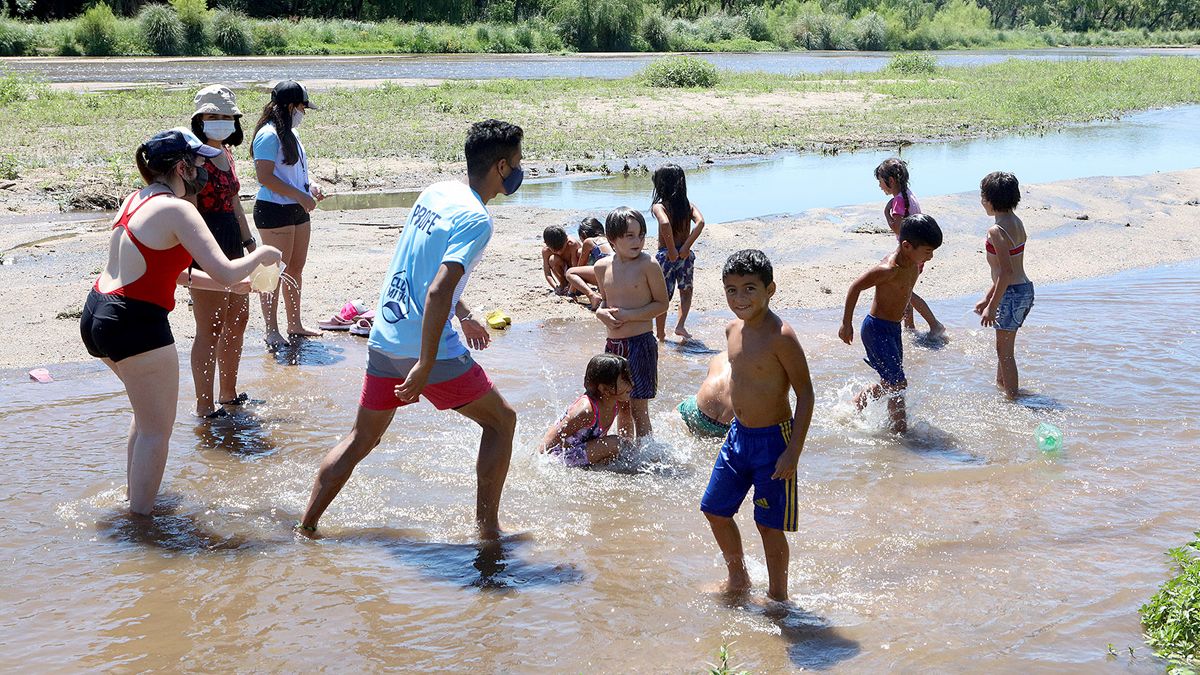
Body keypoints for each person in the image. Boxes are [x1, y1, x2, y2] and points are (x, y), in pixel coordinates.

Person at [297, 119, 524, 540]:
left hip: (385, 335)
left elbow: (422, 267)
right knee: (502, 422)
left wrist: (464, 312)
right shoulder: (478, 220)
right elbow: (437, 290)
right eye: (518, 160)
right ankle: (489, 532)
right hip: (425, 348)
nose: (520, 168)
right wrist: (425, 362)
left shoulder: (437, 192)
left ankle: (306, 526)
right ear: (501, 167)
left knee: (361, 438)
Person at [79, 128, 281, 515]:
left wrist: (231, 286)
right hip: (135, 321)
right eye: (199, 162)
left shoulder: (137, 200)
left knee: (147, 417)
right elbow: (225, 269)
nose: (205, 169)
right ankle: (141, 524)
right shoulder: (179, 209)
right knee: (157, 430)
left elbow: (172, 272)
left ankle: (134, 500)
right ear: (181, 168)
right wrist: (262, 255)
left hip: (98, 314)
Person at [700, 250, 814, 602]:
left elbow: (806, 394)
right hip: (738, 437)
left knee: (768, 524)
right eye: (731, 290)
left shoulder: (782, 336)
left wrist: (793, 452)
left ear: (770, 290)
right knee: (715, 510)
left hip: (774, 441)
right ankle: (738, 579)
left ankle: (778, 599)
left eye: (750, 288)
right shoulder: (732, 330)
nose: (740, 298)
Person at [187, 85, 257, 419]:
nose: (221, 121)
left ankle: (228, 393)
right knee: (210, 327)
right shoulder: (192, 159)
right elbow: (189, 210)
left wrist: (250, 242)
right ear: (199, 119)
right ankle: (204, 405)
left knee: (237, 320)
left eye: (227, 116)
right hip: (206, 241)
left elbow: (234, 202)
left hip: (232, 240)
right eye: (213, 116)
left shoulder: (225, 153)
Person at [838, 214, 943, 434]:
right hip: (876, 329)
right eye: (927, 251)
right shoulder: (888, 269)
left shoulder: (914, 264)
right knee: (898, 383)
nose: (931, 257)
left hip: (893, 329)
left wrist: (906, 319)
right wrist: (846, 324)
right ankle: (899, 432)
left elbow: (905, 293)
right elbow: (855, 287)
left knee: (891, 382)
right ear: (907, 246)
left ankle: (859, 403)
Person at [250, 79, 324, 349]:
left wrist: (310, 186)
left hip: (296, 208)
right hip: (274, 209)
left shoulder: (290, 133)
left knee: (295, 268)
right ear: (291, 106)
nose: (303, 113)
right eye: (302, 107)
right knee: (272, 270)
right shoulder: (268, 135)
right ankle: (271, 329)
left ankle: (295, 324)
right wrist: (300, 196)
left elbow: (293, 172)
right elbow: (265, 177)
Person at [593, 207, 668, 439]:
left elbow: (662, 304)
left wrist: (629, 315)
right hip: (613, 347)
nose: (638, 241)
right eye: (630, 236)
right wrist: (600, 313)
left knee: (638, 407)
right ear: (612, 239)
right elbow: (604, 301)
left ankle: (645, 452)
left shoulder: (648, 264)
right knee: (620, 405)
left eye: (641, 235)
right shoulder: (601, 267)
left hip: (640, 343)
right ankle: (626, 449)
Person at [974, 171, 1033, 399]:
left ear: (990, 200)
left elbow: (1006, 273)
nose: (981, 201)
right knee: (1003, 348)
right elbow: (1006, 271)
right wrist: (987, 297)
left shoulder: (996, 231)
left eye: (983, 196)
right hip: (1024, 290)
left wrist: (992, 306)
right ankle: (1003, 386)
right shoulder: (1017, 222)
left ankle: (1012, 400)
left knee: (1004, 351)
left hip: (1011, 293)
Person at [875, 158, 945, 339]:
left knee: (907, 292)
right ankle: (909, 327)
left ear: (890, 181)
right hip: (916, 251)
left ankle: (935, 324)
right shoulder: (908, 194)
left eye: (880, 181)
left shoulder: (898, 201)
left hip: (911, 255)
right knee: (906, 290)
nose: (879, 186)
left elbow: (899, 229)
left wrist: (886, 214)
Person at [540, 354, 633, 467]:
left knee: (620, 448)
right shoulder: (586, 410)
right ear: (604, 389)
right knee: (615, 443)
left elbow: (626, 429)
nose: (632, 383)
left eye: (629, 377)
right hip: (560, 457)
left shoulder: (619, 400)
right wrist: (543, 464)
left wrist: (630, 451)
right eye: (624, 380)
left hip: (582, 450)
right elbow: (551, 439)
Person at [651, 164, 705, 341]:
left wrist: (672, 249)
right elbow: (701, 223)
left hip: (667, 255)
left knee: (663, 295)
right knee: (686, 291)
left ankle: (660, 333)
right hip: (684, 255)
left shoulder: (659, 207)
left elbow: (665, 223)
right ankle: (680, 325)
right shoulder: (688, 205)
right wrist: (686, 247)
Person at [677, 350, 733, 438]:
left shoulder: (721, 356)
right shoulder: (755, 371)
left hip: (697, 413)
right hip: (727, 427)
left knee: (678, 411)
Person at [565, 217, 613, 310]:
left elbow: (580, 266)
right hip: (620, 273)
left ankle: (592, 296)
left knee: (570, 273)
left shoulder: (589, 241)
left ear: (584, 234)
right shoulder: (610, 238)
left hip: (607, 274)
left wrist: (571, 292)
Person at [540, 224, 581, 296]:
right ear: (546, 244)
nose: (559, 252)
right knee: (552, 259)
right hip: (564, 275)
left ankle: (574, 286)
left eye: (561, 248)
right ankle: (563, 284)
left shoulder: (572, 244)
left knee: (579, 253)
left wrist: (571, 285)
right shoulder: (546, 251)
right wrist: (555, 287)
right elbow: (547, 273)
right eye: (555, 251)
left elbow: (576, 268)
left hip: (577, 275)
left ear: (566, 240)